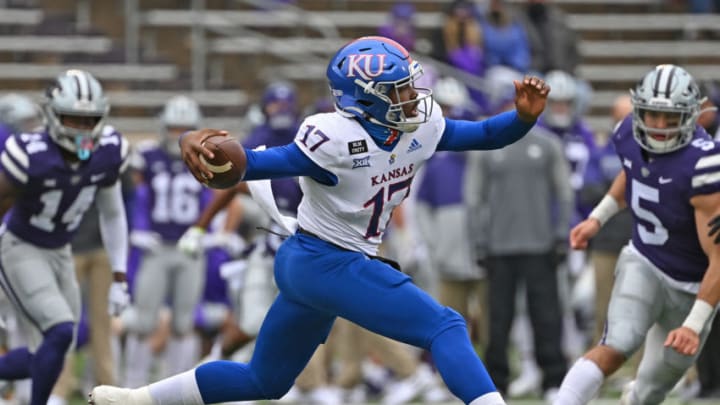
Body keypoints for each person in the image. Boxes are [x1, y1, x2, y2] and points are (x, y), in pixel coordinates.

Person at [89, 35, 549, 405]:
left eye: (410, 86)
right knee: (445, 325)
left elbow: (486, 134)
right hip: (327, 260)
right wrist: (194, 138)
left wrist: (522, 119)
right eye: (399, 91)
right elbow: (250, 164)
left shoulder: (420, 126)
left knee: (264, 381)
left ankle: (137, 399)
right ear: (364, 101)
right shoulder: (333, 138)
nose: (413, 97)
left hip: (313, 262)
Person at [553, 64, 720, 405]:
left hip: (691, 286)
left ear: (692, 116)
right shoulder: (628, 132)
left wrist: (693, 323)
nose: (658, 127)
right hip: (644, 260)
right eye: (652, 115)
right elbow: (634, 173)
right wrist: (598, 218)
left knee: (650, 389)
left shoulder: (705, 166)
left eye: (670, 117)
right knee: (616, 345)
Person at [0, 69, 131, 405]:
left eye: (90, 120)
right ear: (52, 115)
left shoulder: (110, 150)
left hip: (61, 250)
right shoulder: (28, 153)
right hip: (20, 247)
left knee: (52, 351)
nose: (82, 129)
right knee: (58, 332)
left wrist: (119, 276)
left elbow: (113, 213)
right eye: (73, 119)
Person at [465, 68, 572, 402]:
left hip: (540, 245)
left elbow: (564, 193)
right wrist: (479, 242)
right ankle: (497, 383)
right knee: (498, 320)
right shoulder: (487, 146)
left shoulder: (548, 144)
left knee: (547, 316)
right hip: (498, 247)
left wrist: (559, 235)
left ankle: (553, 380)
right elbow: (473, 197)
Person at [123, 95, 212, 388]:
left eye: (184, 129)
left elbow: (215, 199)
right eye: (174, 129)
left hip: (189, 248)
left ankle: (176, 388)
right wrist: (138, 228)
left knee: (184, 323)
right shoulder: (148, 155)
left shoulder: (207, 157)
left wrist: (208, 232)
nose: (178, 136)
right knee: (144, 322)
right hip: (157, 245)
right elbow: (135, 197)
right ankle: (133, 386)